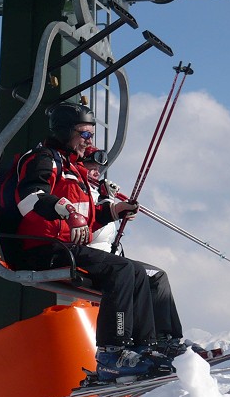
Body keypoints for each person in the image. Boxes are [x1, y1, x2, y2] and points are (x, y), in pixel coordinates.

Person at [13, 101, 172, 382]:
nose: (89, 141)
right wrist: (64, 209)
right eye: (84, 134)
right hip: (42, 247)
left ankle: (145, 347)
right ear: (65, 131)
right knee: (120, 269)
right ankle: (112, 354)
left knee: (136, 271)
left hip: (68, 246)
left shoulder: (74, 168)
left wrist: (114, 211)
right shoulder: (44, 159)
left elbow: (86, 217)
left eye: (91, 135)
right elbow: (29, 199)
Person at [79, 147, 185, 357]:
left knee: (157, 275)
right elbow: (89, 228)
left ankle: (166, 338)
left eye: (99, 168)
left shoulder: (97, 192)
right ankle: (141, 341)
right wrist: (111, 207)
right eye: (91, 167)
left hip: (109, 256)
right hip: (91, 256)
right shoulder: (79, 191)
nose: (96, 172)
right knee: (136, 273)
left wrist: (119, 209)